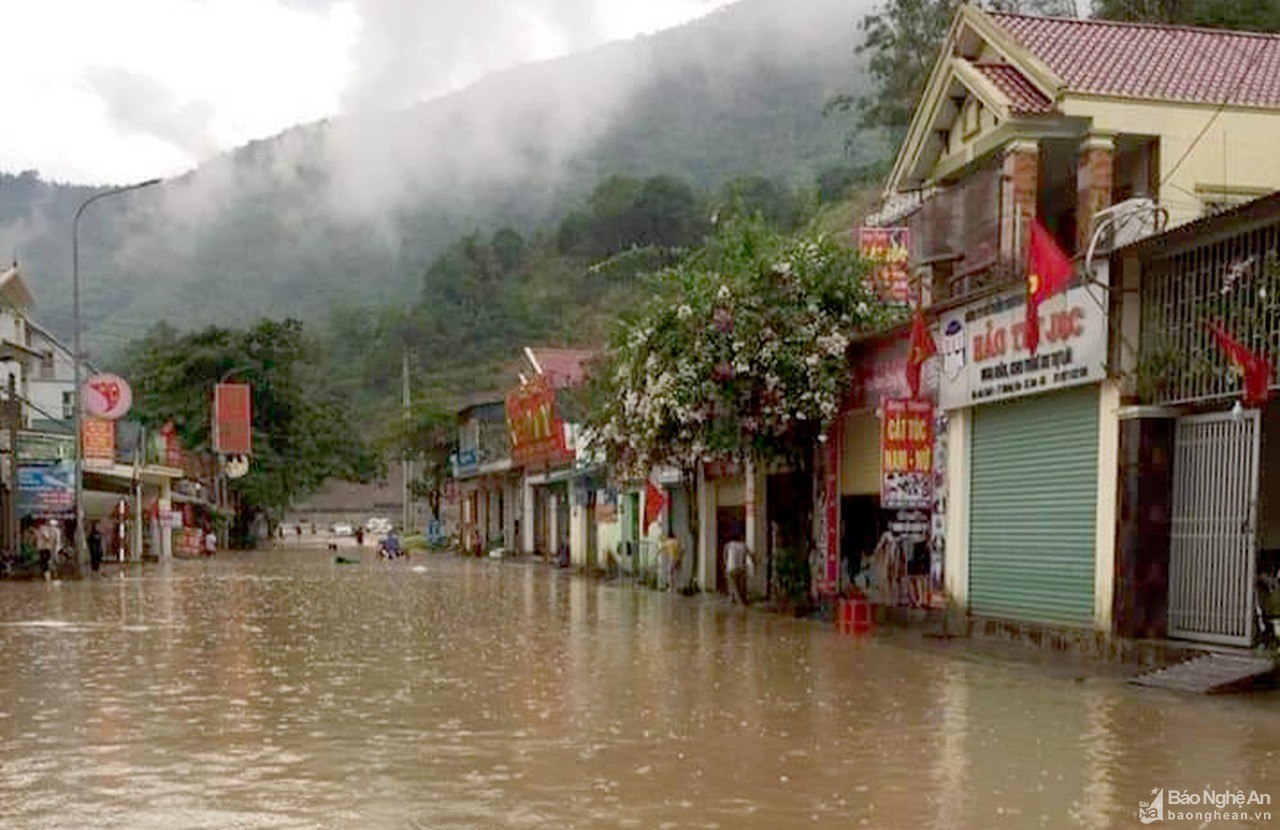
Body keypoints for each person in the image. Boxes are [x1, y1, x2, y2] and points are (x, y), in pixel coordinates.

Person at [725, 539, 753, 605]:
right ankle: (737, 599)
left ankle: (736, 600)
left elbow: (725, 555)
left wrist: (726, 564)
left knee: (733, 585)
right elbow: (750, 555)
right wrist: (754, 562)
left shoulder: (729, 545)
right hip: (740, 568)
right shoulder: (744, 546)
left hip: (731, 568)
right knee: (740, 585)